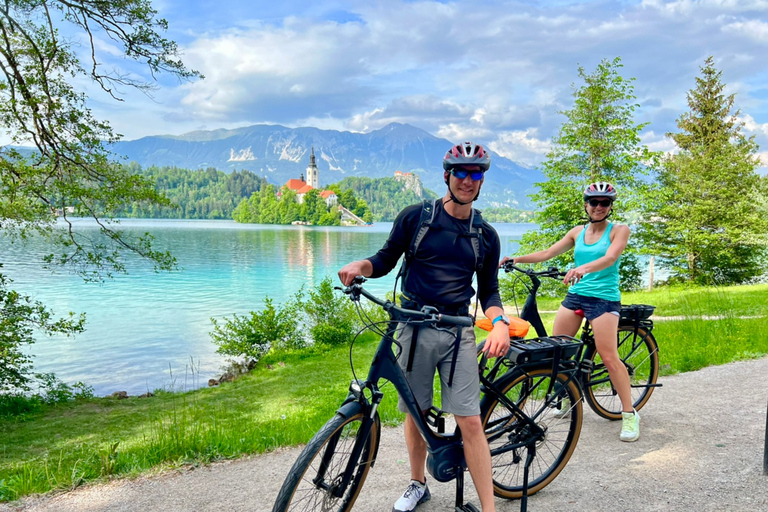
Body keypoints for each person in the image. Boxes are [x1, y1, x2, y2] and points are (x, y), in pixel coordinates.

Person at [338, 141, 510, 512]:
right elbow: (383, 260)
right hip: (411, 326)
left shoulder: (486, 235)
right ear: (447, 176)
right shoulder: (417, 218)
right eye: (460, 172)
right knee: (414, 413)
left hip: (456, 330)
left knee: (470, 421)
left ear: (482, 180)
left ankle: (489, 507)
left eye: (475, 173)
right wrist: (360, 266)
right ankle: (418, 483)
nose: (467, 180)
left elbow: (490, 291)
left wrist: (499, 323)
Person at [500, 181, 640, 442]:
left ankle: (629, 413)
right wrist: (515, 259)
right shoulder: (578, 231)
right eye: (593, 202)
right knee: (558, 351)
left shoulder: (619, 230)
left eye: (604, 203)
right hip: (576, 295)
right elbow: (548, 252)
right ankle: (567, 398)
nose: (598, 207)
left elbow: (610, 258)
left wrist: (582, 269)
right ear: (586, 205)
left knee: (609, 357)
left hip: (604, 300)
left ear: (610, 206)